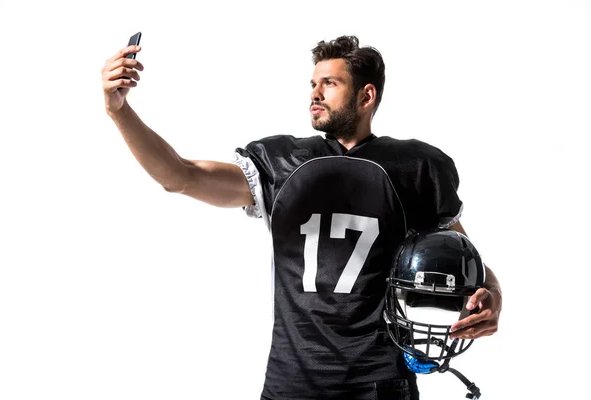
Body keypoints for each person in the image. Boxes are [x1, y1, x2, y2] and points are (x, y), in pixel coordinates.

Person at [101, 35, 502, 400]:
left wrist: (492, 295)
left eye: (330, 83)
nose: (315, 93)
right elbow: (180, 177)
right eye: (313, 84)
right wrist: (119, 111)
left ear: (366, 96)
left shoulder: (414, 166)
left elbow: (462, 254)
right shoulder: (283, 161)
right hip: (293, 380)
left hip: (380, 382)